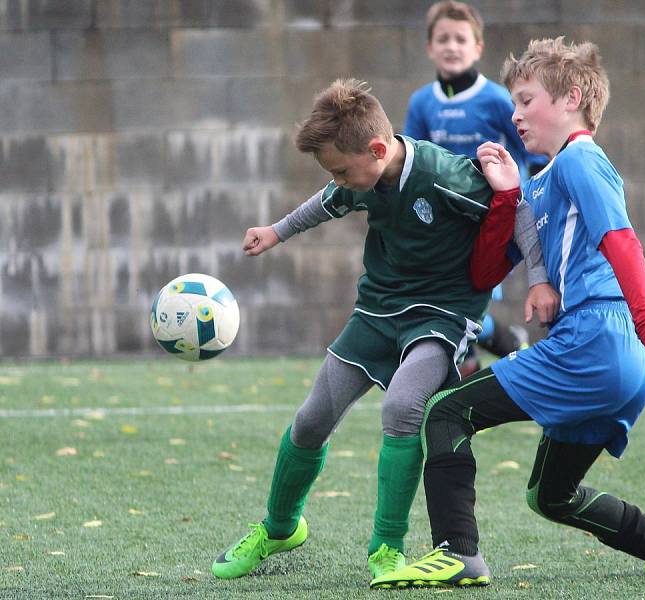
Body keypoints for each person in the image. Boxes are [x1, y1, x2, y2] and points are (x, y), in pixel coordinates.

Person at [370, 37, 645, 589]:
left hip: (598, 341)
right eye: (513, 104)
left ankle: (458, 553)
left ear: (573, 97)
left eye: (525, 100)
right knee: (551, 496)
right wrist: (505, 197)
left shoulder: (582, 158)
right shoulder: (543, 182)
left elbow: (621, 241)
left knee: (445, 412)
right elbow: (486, 269)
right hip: (615, 359)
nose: (514, 115)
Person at [210, 78, 556, 582]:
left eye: (342, 170)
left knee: (401, 406)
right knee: (310, 422)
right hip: (376, 311)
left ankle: (386, 550)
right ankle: (280, 527)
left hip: (442, 315)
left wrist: (541, 280)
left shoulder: (445, 175)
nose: (339, 180)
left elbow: (520, 210)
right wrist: (275, 231)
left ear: (377, 148)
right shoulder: (362, 178)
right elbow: (327, 201)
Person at [405, 0, 549, 377]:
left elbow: (531, 152)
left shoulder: (496, 100)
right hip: (442, 223)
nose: (452, 46)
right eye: (443, 39)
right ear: (430, 47)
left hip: (490, 220)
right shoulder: (422, 102)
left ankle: (508, 345)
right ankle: (469, 367)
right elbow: (413, 159)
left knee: (470, 305)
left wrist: (527, 199)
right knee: (447, 308)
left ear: (477, 47)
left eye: (460, 39)